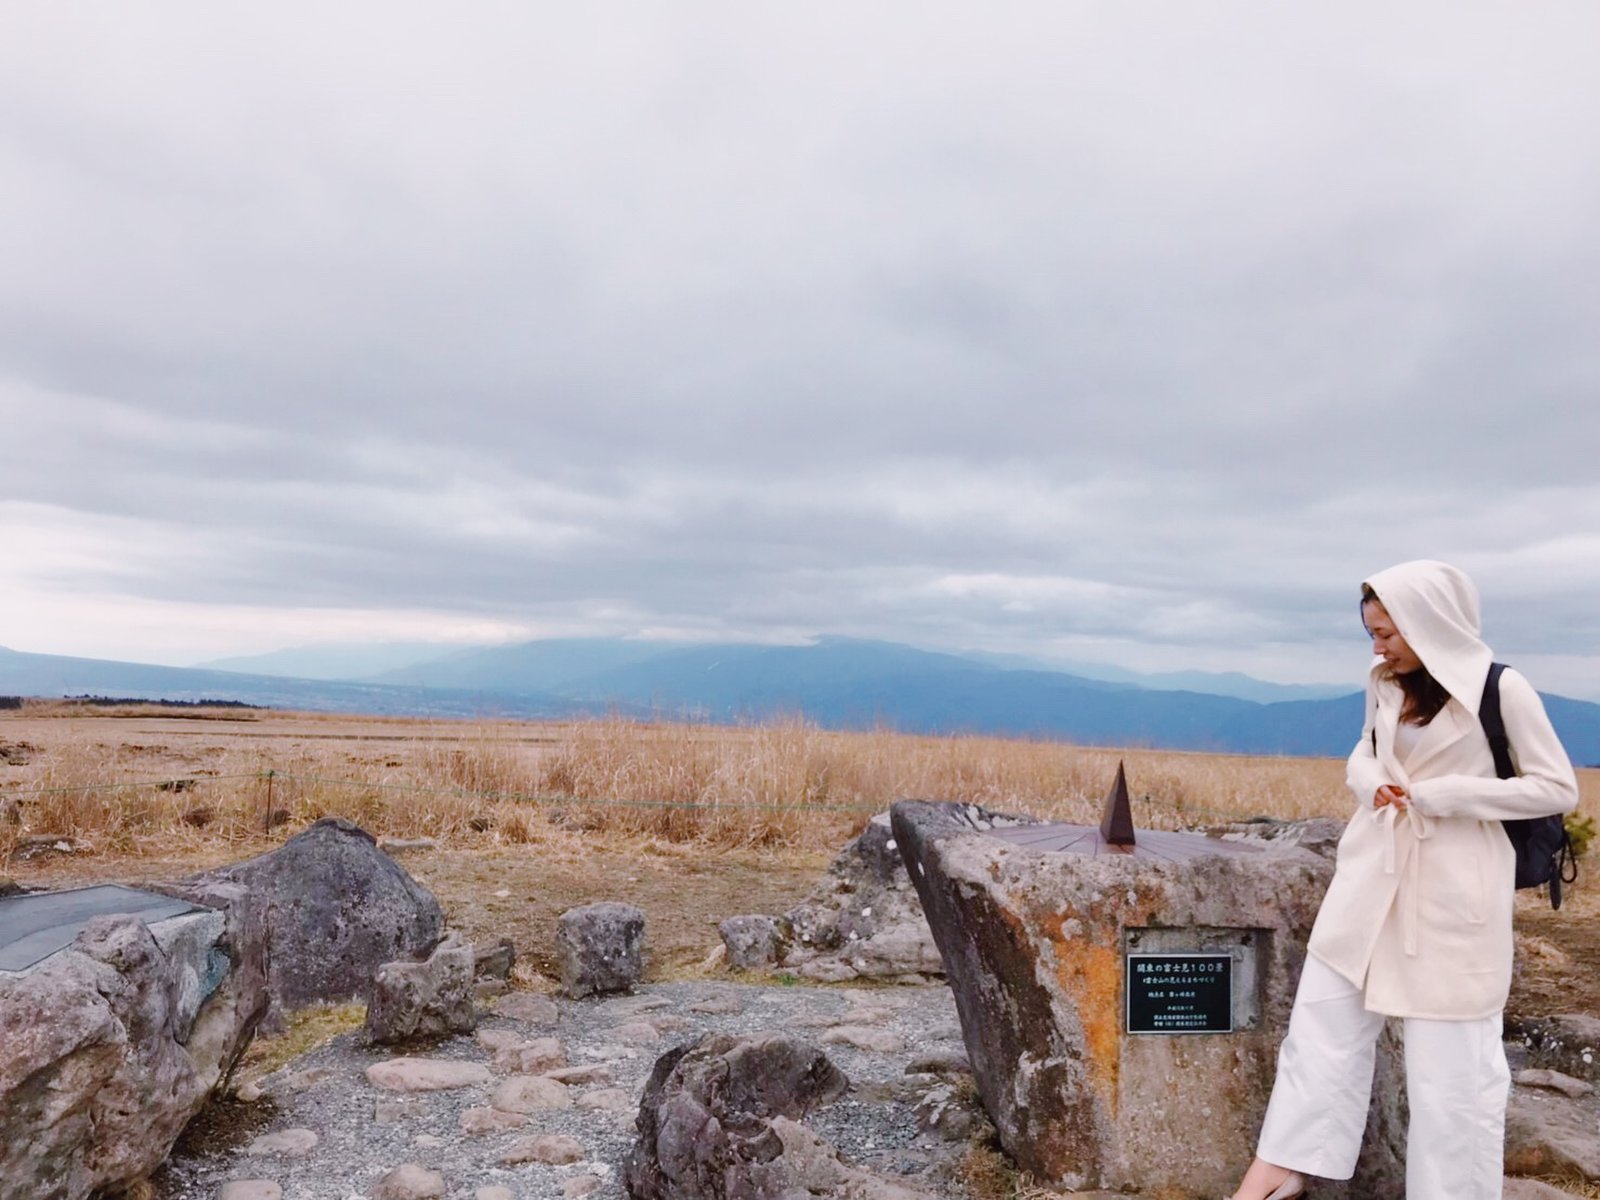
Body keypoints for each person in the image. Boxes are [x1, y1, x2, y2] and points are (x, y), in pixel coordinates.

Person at [1229, 560, 1579, 1200]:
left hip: (1453, 889)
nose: (1376, 644)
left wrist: (1449, 794)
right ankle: (1281, 1168)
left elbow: (1557, 786)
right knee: (1322, 1022)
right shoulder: (1385, 681)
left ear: (1431, 622)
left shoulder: (1502, 690)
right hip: (1373, 870)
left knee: (1454, 1070)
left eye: (1387, 630)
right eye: (1371, 630)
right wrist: (1369, 781)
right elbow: (1365, 748)